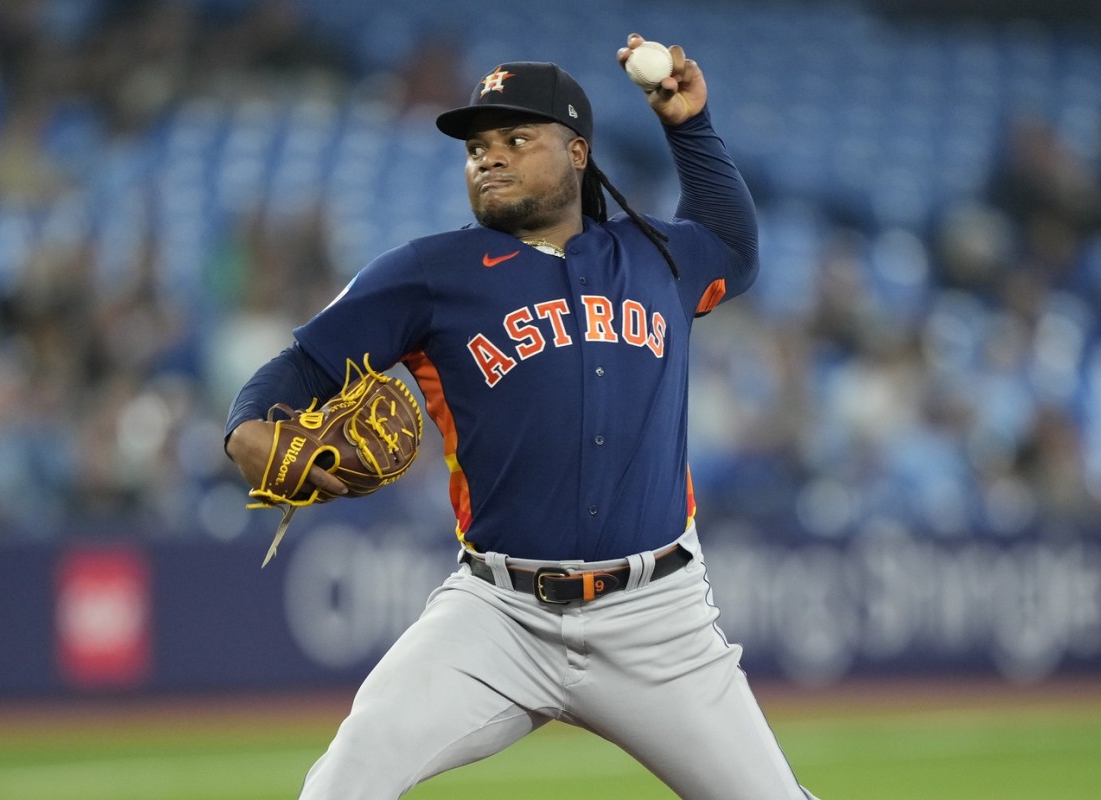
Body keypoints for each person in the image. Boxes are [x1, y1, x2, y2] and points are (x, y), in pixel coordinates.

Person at [225, 33, 819, 800]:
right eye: (477, 145)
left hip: (657, 617)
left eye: (515, 138)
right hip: (497, 615)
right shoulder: (430, 272)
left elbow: (734, 248)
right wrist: (247, 425)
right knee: (341, 783)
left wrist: (689, 127)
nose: (488, 156)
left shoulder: (653, 255)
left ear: (577, 153)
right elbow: (303, 365)